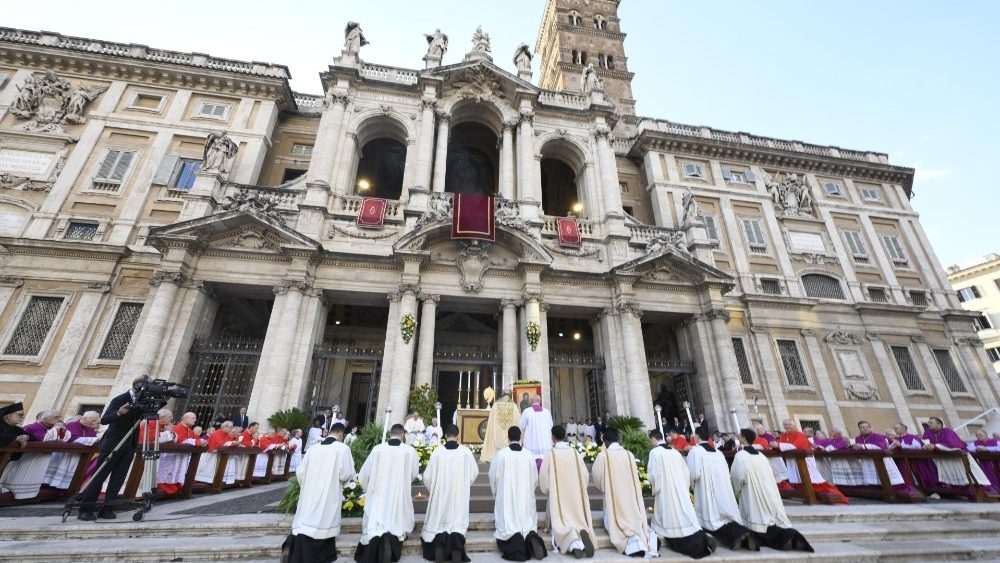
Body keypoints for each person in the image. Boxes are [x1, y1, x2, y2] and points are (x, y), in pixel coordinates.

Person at [77, 376, 154, 520]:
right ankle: (86, 509)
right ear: (140, 386)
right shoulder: (120, 399)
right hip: (113, 444)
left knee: (118, 478)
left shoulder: (144, 402)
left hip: (129, 444)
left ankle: (107, 508)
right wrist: (119, 412)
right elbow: (105, 419)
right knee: (99, 476)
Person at [731, 429, 813, 552]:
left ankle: (778, 538)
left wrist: (736, 489)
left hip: (751, 492)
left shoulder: (741, 455)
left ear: (743, 439)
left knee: (757, 521)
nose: (738, 436)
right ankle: (788, 536)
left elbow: (737, 476)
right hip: (767, 492)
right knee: (767, 520)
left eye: (740, 435)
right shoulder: (761, 455)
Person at [285, 423, 355, 563]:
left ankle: (295, 550)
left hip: (310, 493)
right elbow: (346, 474)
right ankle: (319, 556)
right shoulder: (342, 449)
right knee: (323, 524)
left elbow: (300, 472)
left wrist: (309, 485)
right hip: (329, 493)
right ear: (340, 434)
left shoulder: (313, 449)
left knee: (306, 523)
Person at [354, 424, 419, 563]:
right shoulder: (409, 451)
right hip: (398, 495)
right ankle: (391, 538)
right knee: (397, 524)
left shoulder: (378, 449)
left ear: (391, 434)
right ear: (402, 435)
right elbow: (414, 473)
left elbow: (363, 475)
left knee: (376, 525)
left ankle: (379, 538)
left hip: (378, 495)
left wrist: (369, 490)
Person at [646, 429, 715, 559]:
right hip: (680, 490)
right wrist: (683, 487)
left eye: (651, 440)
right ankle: (701, 539)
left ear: (654, 439)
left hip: (665, 492)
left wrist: (655, 486)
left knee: (669, 521)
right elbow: (686, 472)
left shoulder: (655, 453)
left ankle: (695, 544)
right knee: (684, 516)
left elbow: (653, 476)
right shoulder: (675, 452)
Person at [687, 427, 757, 551]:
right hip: (722, 488)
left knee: (713, 519)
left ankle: (736, 536)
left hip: (706, 488)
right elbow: (726, 470)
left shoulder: (695, 451)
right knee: (726, 516)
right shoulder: (718, 452)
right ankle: (743, 532)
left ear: (697, 436)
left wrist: (690, 485)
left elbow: (694, 473)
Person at [592, 428, 657, 557]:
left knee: (613, 520)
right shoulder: (628, 454)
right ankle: (637, 536)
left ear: (605, 441)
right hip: (630, 495)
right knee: (632, 516)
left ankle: (630, 541)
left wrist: (604, 487)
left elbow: (597, 476)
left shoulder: (603, 455)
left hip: (613, 495)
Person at [421, 425, 479, 562]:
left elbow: (427, 477)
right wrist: (464, 485)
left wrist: (434, 489)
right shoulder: (465, 453)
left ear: (445, 435)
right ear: (457, 436)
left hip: (440, 496)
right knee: (456, 525)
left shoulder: (438, 452)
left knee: (440, 525)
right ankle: (456, 548)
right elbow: (474, 473)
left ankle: (440, 545)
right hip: (458, 496)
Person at [489, 426, 546, 561]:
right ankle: (531, 537)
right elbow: (534, 479)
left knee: (509, 528)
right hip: (525, 499)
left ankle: (516, 542)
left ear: (508, 437)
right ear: (520, 437)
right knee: (526, 525)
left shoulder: (501, 455)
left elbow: (492, 477)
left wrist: (497, 493)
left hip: (506, 498)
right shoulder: (528, 455)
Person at [538, 425, 595, 558]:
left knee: (562, 525)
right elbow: (585, 475)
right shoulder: (575, 453)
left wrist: (548, 490)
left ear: (552, 437)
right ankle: (581, 536)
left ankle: (574, 544)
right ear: (564, 436)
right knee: (577, 521)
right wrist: (580, 488)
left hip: (558, 496)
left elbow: (544, 478)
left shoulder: (551, 454)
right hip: (575, 497)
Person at [918, 416, 995, 499]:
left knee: (966, 476)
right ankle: (944, 490)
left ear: (939, 424)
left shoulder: (948, 432)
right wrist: (926, 446)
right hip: (941, 459)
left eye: (931, 423)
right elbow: (925, 442)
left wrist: (936, 446)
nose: (928, 424)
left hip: (958, 458)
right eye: (928, 422)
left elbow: (954, 444)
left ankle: (977, 491)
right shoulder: (928, 432)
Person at [774, 419, 848, 504]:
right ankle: (805, 495)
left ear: (794, 425)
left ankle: (836, 496)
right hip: (793, 461)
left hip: (805, 460)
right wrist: (774, 444)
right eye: (785, 425)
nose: (787, 426)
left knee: (813, 480)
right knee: (799, 481)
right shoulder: (784, 435)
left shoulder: (799, 435)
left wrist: (778, 445)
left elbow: (794, 446)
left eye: (789, 424)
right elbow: (778, 444)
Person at [844, 421, 921, 498]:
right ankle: (873, 492)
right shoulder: (858, 438)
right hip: (866, 461)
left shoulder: (879, 436)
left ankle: (889, 491)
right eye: (862, 427)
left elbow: (881, 446)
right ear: (859, 429)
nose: (865, 429)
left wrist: (863, 446)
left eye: (867, 427)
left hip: (880, 461)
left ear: (870, 428)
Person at [481, 392, 520, 463]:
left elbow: (491, 422)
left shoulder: (495, 405)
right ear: (509, 396)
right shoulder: (514, 406)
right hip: (510, 436)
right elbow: (517, 421)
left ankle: (494, 455)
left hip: (497, 435)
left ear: (502, 395)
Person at [519, 394, 554, 470]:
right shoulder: (547, 412)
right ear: (540, 401)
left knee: (531, 471)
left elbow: (521, 426)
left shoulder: (527, 412)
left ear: (531, 401)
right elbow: (551, 426)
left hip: (531, 445)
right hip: (545, 445)